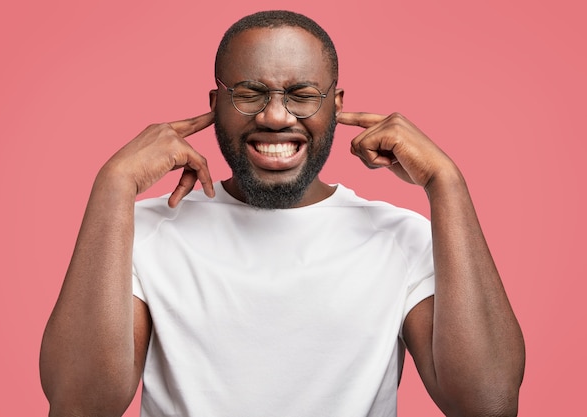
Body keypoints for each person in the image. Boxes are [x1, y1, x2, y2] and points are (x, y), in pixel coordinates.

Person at [40, 10, 525, 417]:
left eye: (301, 94)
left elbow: (487, 403)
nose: (275, 115)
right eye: (249, 93)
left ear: (336, 107)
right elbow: (80, 406)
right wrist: (112, 186)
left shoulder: (401, 237)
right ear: (215, 106)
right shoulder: (143, 233)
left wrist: (447, 185)